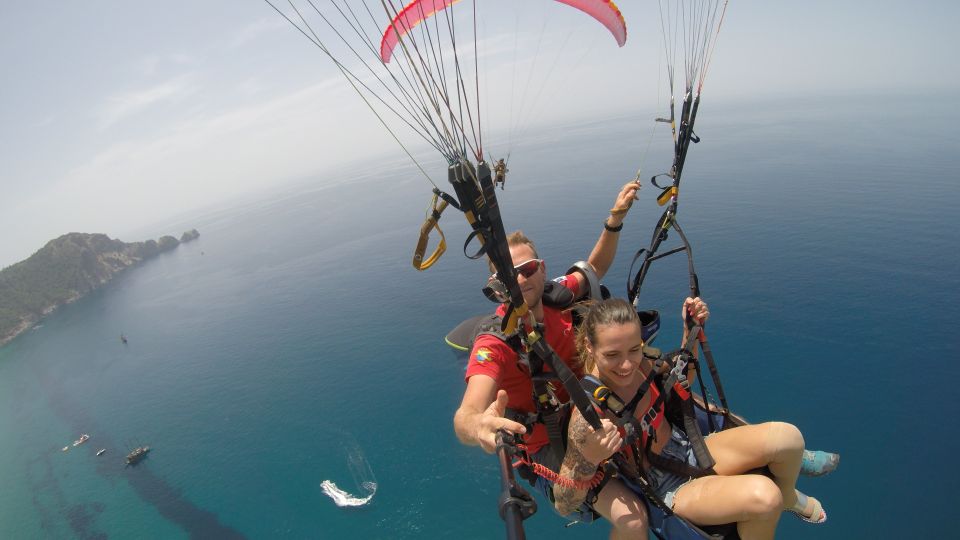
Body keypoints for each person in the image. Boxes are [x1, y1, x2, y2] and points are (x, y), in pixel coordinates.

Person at [453, 180, 651, 537]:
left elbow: (594, 267)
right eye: (506, 275)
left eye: (526, 270)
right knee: (632, 518)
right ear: (495, 285)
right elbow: (467, 413)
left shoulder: (556, 295)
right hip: (547, 444)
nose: (519, 280)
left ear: (542, 269)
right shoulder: (494, 341)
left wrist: (615, 218)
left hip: (592, 409)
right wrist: (478, 427)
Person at [553, 297, 827, 540]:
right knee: (766, 498)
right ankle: (779, 500)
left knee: (788, 438)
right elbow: (563, 504)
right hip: (666, 486)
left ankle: (790, 497)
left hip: (687, 447)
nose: (626, 365)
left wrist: (690, 332)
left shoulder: (644, 364)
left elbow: (681, 382)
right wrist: (588, 459)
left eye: (633, 350)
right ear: (589, 346)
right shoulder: (588, 416)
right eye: (612, 355)